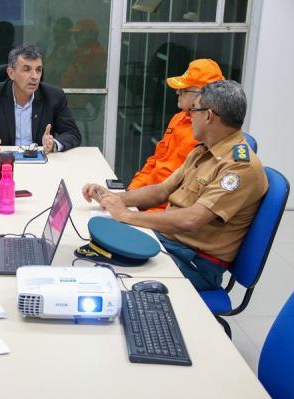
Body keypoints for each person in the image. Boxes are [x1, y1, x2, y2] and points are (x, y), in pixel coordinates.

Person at [82, 80, 268, 291]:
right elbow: (161, 191)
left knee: (110, 277)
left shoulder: (239, 168)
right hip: (170, 243)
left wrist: (128, 216)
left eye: (194, 110)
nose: (188, 116)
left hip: (194, 262)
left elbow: (192, 219)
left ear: (209, 116)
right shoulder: (204, 150)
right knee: (93, 249)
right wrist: (114, 198)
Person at [128, 59, 224, 211]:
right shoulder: (178, 118)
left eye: (184, 89)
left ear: (204, 96)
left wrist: (134, 209)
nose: (177, 92)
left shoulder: (209, 134)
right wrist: (132, 191)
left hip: (165, 210)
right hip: (146, 198)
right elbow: (156, 159)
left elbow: (187, 196)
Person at [0, 44, 81, 156]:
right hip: (5, 161)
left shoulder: (54, 96)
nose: (34, 76)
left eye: (38, 70)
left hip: (41, 162)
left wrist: (53, 144)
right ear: (11, 73)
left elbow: (72, 133)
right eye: (27, 69)